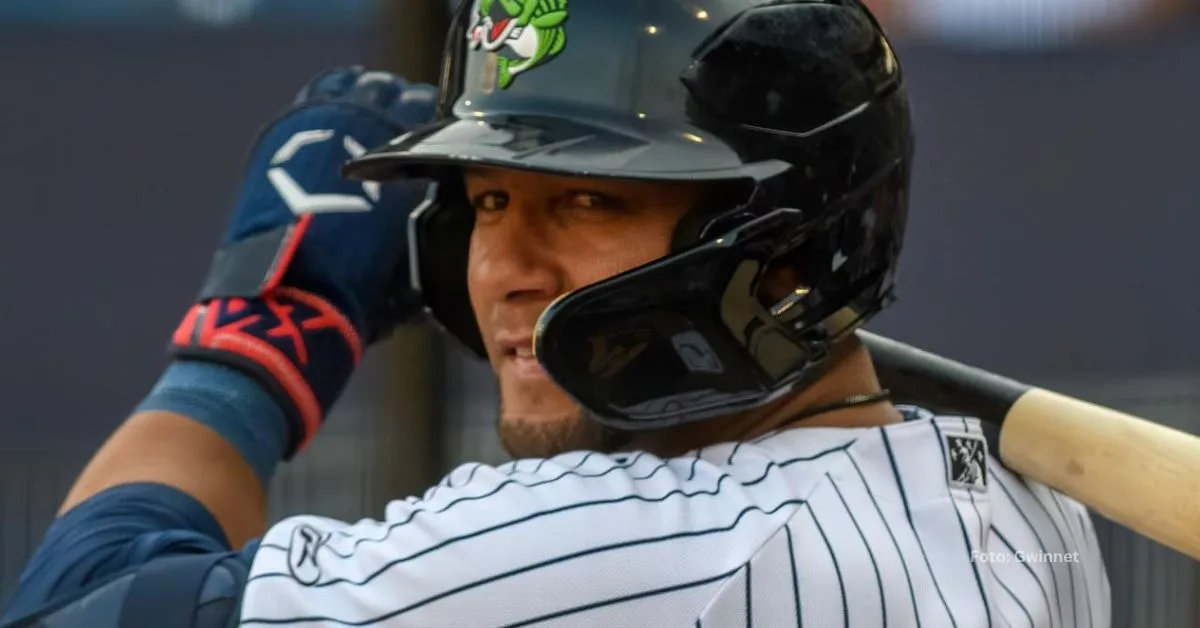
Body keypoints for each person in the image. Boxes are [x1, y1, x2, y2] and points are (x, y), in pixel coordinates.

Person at [1, 0, 1111, 626]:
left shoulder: (636, 549)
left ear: (782, 245)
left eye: (586, 198)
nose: (504, 268)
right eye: (487, 201)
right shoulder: (1030, 513)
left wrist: (258, 340)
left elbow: (75, 610)